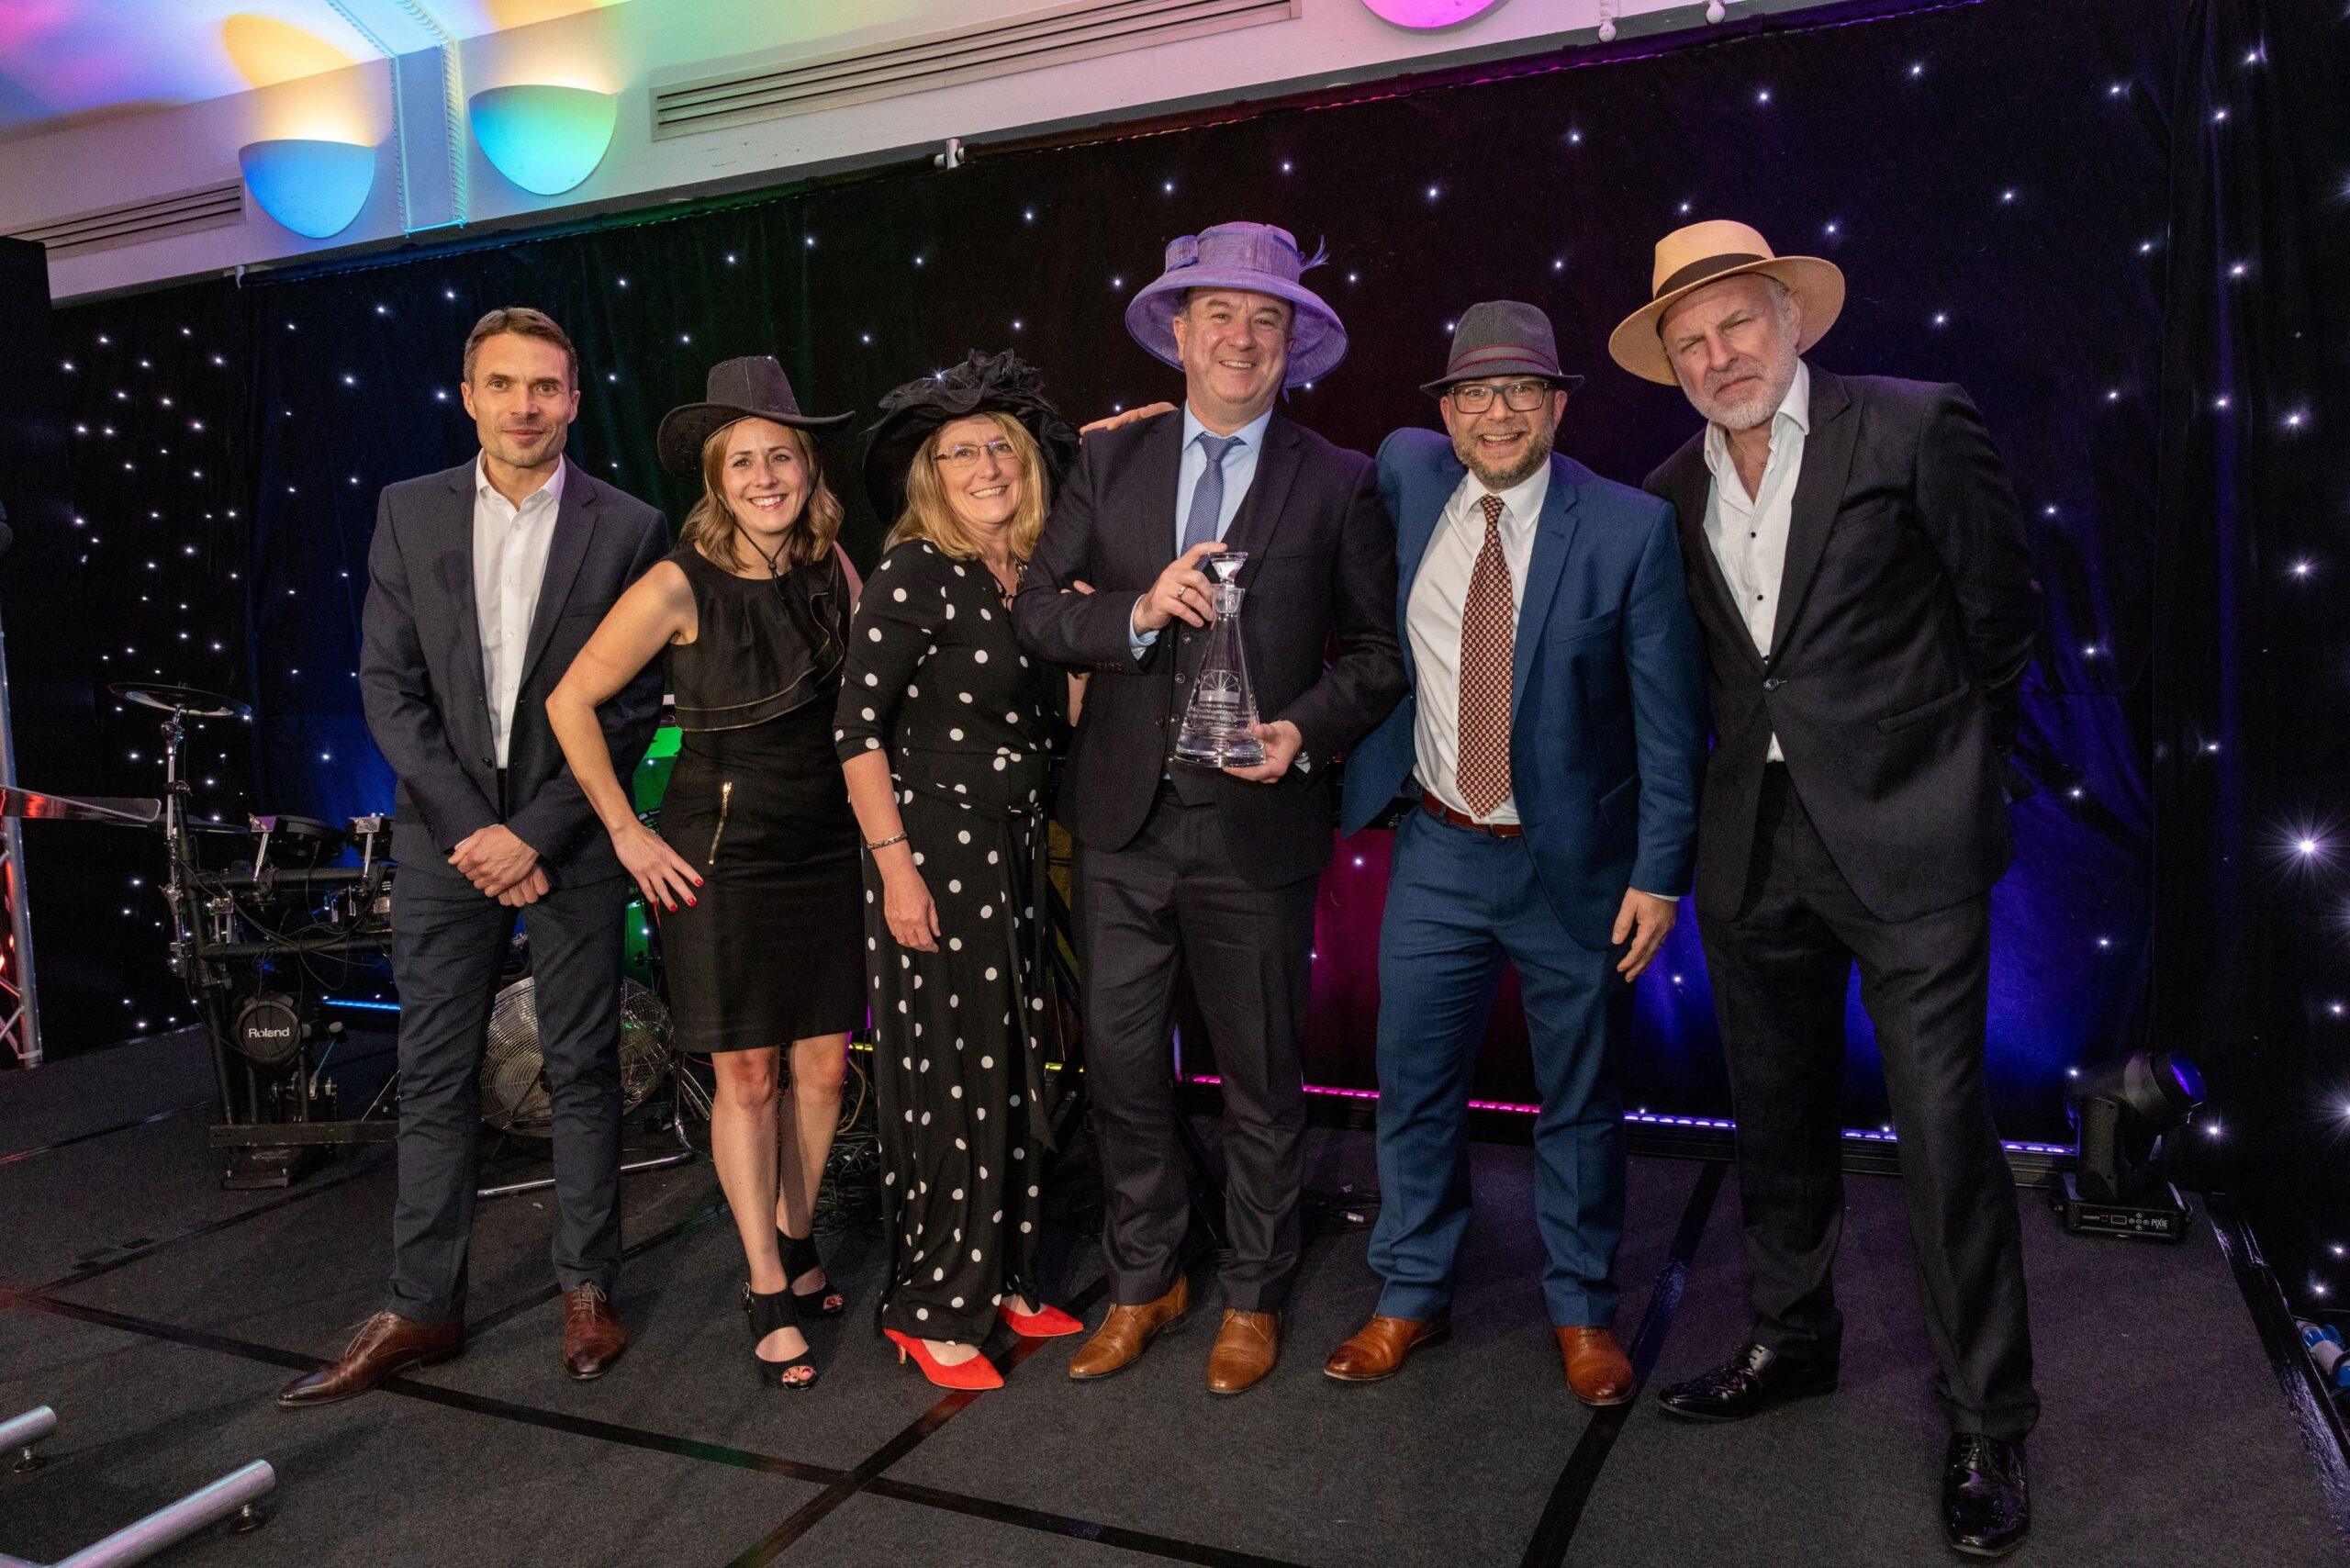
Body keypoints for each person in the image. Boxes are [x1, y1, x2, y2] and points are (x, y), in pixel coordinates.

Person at [1611, 221, 2042, 1556]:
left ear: (1791, 318)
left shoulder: (1914, 426)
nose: (1718, 355)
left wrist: (1941, 769)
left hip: (1912, 838)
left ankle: (1988, 1420)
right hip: (1754, 845)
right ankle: (1792, 1339)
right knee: (1778, 1122)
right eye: (1690, 342)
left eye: (1737, 323)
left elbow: (2001, 616)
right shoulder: (1667, 489)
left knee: (1944, 1136)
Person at [1014, 222, 1406, 1394]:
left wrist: (1301, 732)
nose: (1241, 337)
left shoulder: (1339, 478)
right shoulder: (1108, 461)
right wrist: (1136, 611)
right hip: (1120, 823)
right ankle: (1145, 1279)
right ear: (1178, 334)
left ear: (1293, 344)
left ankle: (1253, 1291)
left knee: (1261, 1080)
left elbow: (1379, 656)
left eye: (1266, 318)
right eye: (1219, 315)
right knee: (1123, 1069)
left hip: (1257, 827)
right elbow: (1038, 610)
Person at [283, 308, 668, 1406]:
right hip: (445, 839)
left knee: (583, 1066)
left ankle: (587, 1287)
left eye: (544, 386)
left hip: (571, 834)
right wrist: (474, 832)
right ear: (468, 396)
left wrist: (534, 831)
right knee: (436, 1071)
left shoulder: (630, 526)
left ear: (575, 399)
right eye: (502, 384)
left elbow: (633, 705)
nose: (524, 406)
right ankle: (423, 1305)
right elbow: (387, 690)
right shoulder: (407, 512)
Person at [1326, 303, 1707, 1404]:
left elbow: (1669, 724)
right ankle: (1411, 1292)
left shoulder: (1629, 527)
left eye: (1522, 391)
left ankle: (1582, 1308)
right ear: (1445, 413)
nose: (1497, 413)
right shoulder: (1407, 477)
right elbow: (1290, 462)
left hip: (1575, 866)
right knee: (1412, 1084)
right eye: (1474, 393)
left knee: (1579, 1097)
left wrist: (1658, 873)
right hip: (1438, 851)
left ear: (1558, 405)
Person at [543, 355, 866, 1391]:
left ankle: (799, 1238)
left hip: (826, 842)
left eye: (781, 456)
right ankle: (766, 1283)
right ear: (717, 480)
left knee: (825, 1070)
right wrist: (627, 832)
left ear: (808, 468)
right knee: (749, 1075)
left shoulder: (834, 564)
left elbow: (866, 703)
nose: (765, 477)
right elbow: (568, 702)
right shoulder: (677, 580)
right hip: (722, 855)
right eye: (742, 461)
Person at [835, 349, 1091, 1390]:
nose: (985, 467)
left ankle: (1006, 1278)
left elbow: (1057, 722)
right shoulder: (913, 571)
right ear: (929, 477)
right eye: (959, 453)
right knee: (950, 1081)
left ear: (1027, 463)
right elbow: (856, 735)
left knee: (1019, 1068)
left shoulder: (1029, 577)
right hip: (933, 852)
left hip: (1017, 850)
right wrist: (897, 872)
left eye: (1000, 448)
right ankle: (931, 1302)